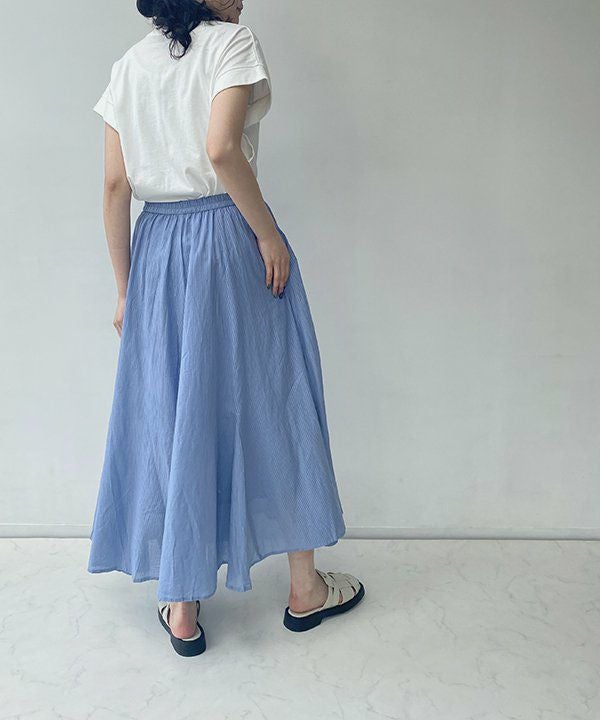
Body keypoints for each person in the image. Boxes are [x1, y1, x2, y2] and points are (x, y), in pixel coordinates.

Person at [88, 0, 364, 657]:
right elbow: (220, 150)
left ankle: (182, 606)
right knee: (277, 394)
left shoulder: (129, 65)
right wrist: (267, 234)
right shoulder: (231, 44)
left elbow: (115, 185)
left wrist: (126, 289)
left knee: (174, 407)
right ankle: (305, 589)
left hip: (158, 249)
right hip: (227, 235)